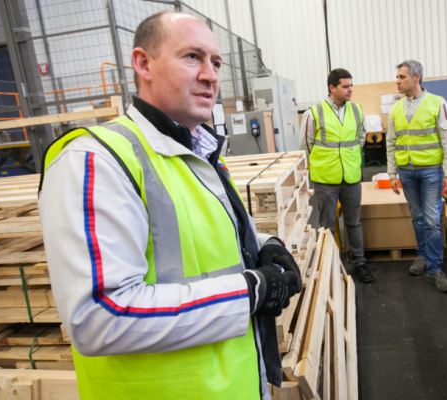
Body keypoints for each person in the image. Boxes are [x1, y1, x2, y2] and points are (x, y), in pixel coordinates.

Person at [38, 12, 301, 400]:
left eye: (216, 62)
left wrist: (264, 244)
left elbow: (200, 236)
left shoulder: (198, 149)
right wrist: (251, 291)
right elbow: (99, 316)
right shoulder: (97, 160)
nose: (210, 75)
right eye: (192, 57)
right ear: (143, 64)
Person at [386, 60, 447, 292]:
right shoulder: (395, 109)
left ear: (417, 77)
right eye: (397, 77)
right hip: (406, 172)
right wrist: (392, 173)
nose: (397, 81)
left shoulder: (438, 103)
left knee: (431, 221)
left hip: (431, 172)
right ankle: (424, 256)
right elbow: (390, 144)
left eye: (402, 77)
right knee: (417, 218)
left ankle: (435, 268)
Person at [299, 68, 370, 282]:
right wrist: (324, 163)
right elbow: (306, 145)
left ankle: (359, 262)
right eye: (345, 86)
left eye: (351, 86)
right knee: (327, 225)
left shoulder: (357, 110)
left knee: (353, 222)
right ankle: (330, 264)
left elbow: (361, 137)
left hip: (351, 177)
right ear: (332, 88)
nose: (350, 90)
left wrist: (349, 156)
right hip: (325, 180)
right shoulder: (314, 112)